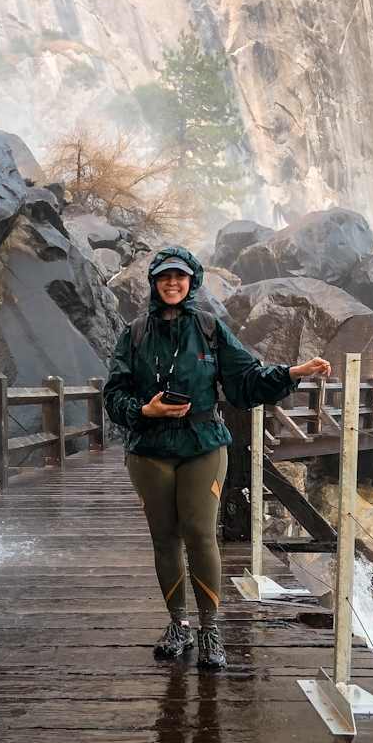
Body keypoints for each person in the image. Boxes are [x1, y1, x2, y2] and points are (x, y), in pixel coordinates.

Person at [104, 247, 331, 670]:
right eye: (165, 276)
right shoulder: (134, 333)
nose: (173, 283)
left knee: (201, 535)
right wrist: (145, 411)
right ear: (153, 282)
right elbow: (113, 394)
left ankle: (210, 629)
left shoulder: (210, 329)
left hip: (203, 445)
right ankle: (178, 624)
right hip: (148, 450)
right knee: (164, 538)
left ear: (193, 281)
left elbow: (246, 378)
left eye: (181, 276)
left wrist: (292, 374)